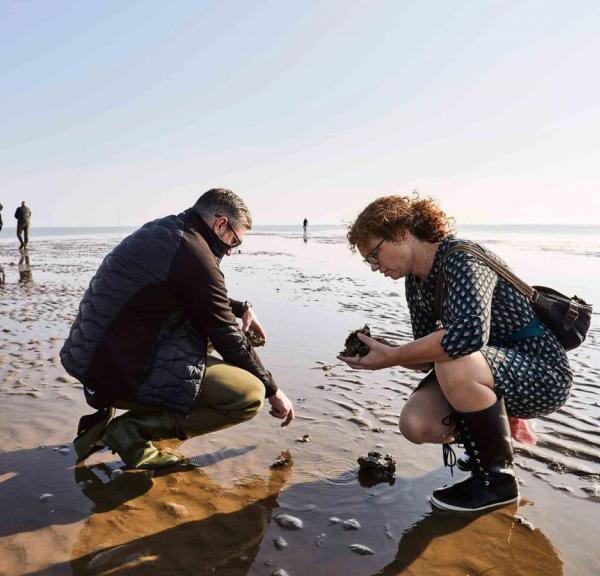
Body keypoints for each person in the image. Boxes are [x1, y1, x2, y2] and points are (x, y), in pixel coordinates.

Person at [339, 195, 572, 512]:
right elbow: (427, 357)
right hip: (484, 369)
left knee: (455, 358)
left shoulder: (462, 258)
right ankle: (487, 441)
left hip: (542, 372)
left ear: (402, 233)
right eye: (369, 261)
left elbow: (467, 336)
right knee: (416, 423)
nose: (375, 267)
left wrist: (392, 358)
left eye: (376, 254)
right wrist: (382, 351)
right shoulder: (416, 281)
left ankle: (497, 481)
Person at [61, 188, 295, 469]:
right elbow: (227, 336)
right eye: (234, 241)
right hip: (114, 369)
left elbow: (190, 291)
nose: (231, 251)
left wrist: (241, 308)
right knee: (247, 395)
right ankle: (132, 431)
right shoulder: (193, 253)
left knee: (201, 336)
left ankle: (105, 420)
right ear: (220, 224)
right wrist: (273, 390)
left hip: (94, 359)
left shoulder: (168, 232)